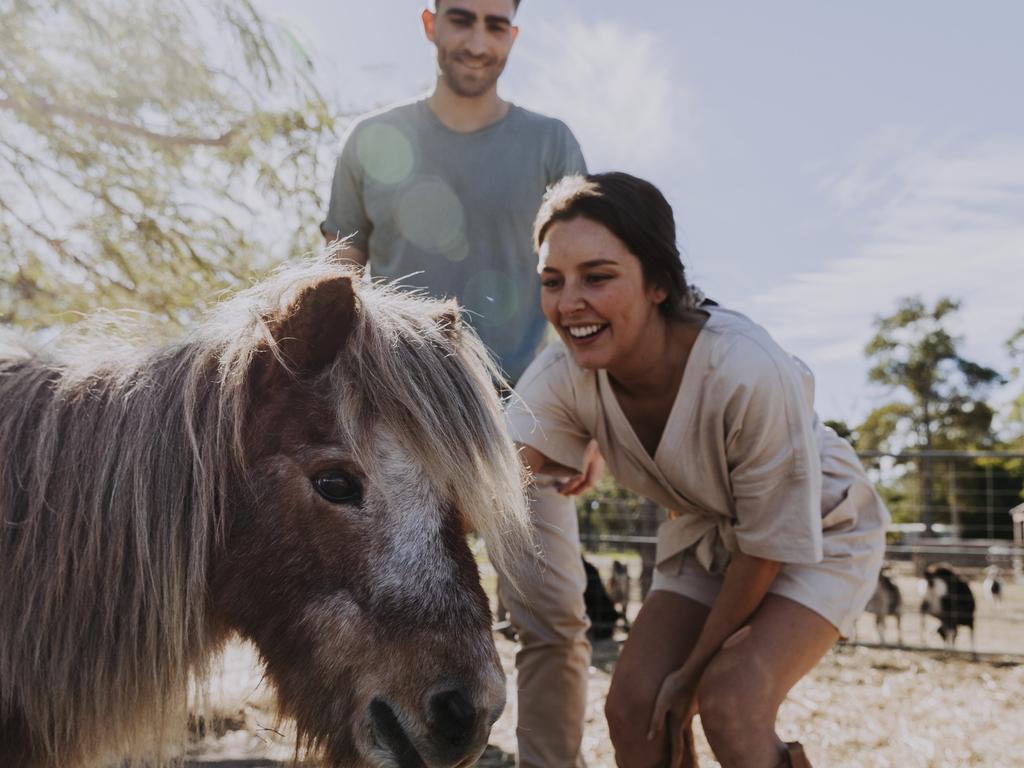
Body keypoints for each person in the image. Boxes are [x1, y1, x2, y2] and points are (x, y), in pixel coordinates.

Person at [508, 172, 889, 768]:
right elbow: (499, 483)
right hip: (711, 531)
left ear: (658, 282)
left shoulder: (746, 368)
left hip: (818, 526)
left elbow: (766, 548)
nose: (569, 302)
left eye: (598, 277)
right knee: (634, 709)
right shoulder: (563, 377)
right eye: (552, 282)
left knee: (730, 698)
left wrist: (689, 675)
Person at [320, 2, 597, 766]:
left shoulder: (551, 144)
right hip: (397, 432)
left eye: (497, 24)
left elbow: (582, 292)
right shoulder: (371, 142)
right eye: (463, 19)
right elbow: (337, 290)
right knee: (374, 623)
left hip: (527, 416)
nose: (478, 41)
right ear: (430, 23)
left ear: (514, 33)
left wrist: (588, 413)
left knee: (554, 621)